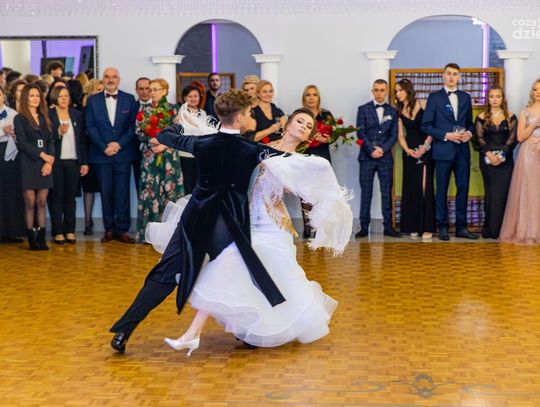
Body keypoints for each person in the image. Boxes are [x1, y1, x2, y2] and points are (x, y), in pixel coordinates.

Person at [157, 108, 351, 354]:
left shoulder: (297, 162)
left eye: (308, 126)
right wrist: (192, 125)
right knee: (236, 273)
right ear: (287, 124)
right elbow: (227, 150)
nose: (303, 126)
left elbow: (312, 178)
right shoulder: (261, 147)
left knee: (231, 267)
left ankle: (193, 334)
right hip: (248, 221)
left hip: (273, 226)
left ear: (308, 136)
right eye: (300, 121)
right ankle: (197, 334)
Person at [109, 89, 287, 354]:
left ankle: (124, 330)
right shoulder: (251, 149)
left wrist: (180, 124)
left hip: (196, 219)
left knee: (165, 274)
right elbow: (288, 160)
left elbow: (165, 136)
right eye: (250, 113)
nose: (252, 117)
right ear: (239, 117)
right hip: (230, 225)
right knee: (235, 276)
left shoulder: (202, 143)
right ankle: (247, 333)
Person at [421, 63, 478, 241]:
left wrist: (469, 133)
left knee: (463, 189)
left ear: (459, 77)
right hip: (442, 151)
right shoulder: (434, 98)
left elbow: (470, 123)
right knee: (441, 190)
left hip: (462, 151)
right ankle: (443, 227)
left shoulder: (465, 97)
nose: (452, 77)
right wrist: (446, 135)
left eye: (455, 74)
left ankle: (462, 227)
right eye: (449, 73)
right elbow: (426, 126)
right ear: (443, 75)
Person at [85, 67, 138, 243]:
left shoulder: (129, 99)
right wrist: (104, 147)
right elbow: (90, 127)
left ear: (119, 80)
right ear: (103, 79)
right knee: (106, 193)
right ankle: (109, 229)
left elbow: (133, 127)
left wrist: (119, 144)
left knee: (123, 193)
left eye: (114, 77)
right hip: (102, 155)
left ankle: (123, 230)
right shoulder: (93, 100)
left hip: (123, 154)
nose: (110, 80)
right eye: (107, 77)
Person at [135, 78, 184, 243]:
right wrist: (152, 140)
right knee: (150, 192)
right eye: (151, 89)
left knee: (169, 193)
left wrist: (163, 144)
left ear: (165, 91)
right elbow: (139, 132)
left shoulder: (173, 109)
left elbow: (179, 132)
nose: (152, 92)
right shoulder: (145, 109)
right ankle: (149, 235)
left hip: (169, 157)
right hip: (150, 156)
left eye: (156, 89)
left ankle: (171, 236)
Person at [355, 79, 400, 238]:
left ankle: (388, 226)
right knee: (366, 193)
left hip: (385, 158)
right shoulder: (363, 109)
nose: (379, 93)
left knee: (386, 192)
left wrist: (383, 149)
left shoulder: (393, 111)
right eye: (376, 90)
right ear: (372, 91)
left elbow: (394, 135)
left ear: (386, 91)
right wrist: (371, 150)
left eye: (382, 90)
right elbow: (360, 133)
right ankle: (363, 227)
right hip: (366, 158)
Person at [14, 83, 55, 250]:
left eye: (37, 95)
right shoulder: (20, 118)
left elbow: (51, 140)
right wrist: (42, 155)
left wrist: (49, 161)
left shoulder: (45, 116)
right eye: (31, 95)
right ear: (25, 98)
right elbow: (22, 142)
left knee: (42, 201)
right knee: (30, 202)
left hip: (45, 164)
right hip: (28, 163)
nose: (35, 98)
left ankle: (42, 238)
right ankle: (31, 237)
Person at [499, 79, 540, 244]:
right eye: (535, 89)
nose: (538, 92)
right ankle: (527, 231)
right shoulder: (525, 111)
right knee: (528, 190)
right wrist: (534, 125)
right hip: (528, 153)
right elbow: (520, 136)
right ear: (532, 92)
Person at [47, 86, 89, 244]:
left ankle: (70, 230)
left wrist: (84, 162)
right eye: (60, 96)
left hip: (73, 161)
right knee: (56, 197)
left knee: (70, 197)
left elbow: (82, 141)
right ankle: (58, 231)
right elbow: (46, 139)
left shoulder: (77, 114)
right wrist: (58, 133)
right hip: (56, 161)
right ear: (54, 98)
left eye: (66, 95)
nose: (64, 99)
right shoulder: (49, 115)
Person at [395, 79, 436, 239]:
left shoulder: (423, 103)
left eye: (400, 90)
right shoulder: (399, 110)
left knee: (425, 187)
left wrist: (425, 147)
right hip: (410, 152)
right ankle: (412, 225)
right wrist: (407, 150)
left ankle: (427, 227)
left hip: (426, 149)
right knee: (411, 187)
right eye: (396, 91)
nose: (398, 94)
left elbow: (431, 128)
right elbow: (400, 135)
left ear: (408, 90)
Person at [474, 87, 516, 239]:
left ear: (502, 98)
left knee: (502, 194)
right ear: (488, 99)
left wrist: (502, 153)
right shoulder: (481, 117)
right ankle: (490, 230)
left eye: (498, 96)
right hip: (487, 160)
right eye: (492, 96)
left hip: (505, 162)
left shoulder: (511, 116)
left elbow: (513, 138)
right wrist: (490, 154)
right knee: (490, 194)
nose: (495, 99)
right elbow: (479, 139)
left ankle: (501, 230)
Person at [301, 84, 335, 238]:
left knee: (321, 193)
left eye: (314, 94)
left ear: (318, 97)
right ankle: (307, 228)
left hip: (322, 156)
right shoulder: (300, 114)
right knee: (305, 192)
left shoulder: (326, 115)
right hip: (304, 155)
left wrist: (324, 139)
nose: (311, 97)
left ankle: (319, 227)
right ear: (304, 98)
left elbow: (334, 136)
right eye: (308, 94)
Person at [0, 85, 25, 243]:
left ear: (3, 95)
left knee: (10, 191)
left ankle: (12, 231)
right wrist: (3, 131)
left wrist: (14, 134)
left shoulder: (13, 113)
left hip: (10, 156)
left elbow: (20, 134)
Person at [81, 79, 104, 236]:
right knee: (89, 190)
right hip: (88, 154)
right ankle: (87, 221)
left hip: (104, 153)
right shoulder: (83, 111)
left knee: (107, 189)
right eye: (98, 90)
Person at [178, 84, 205, 194]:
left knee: (198, 184)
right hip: (184, 155)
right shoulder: (180, 113)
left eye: (195, 96)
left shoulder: (203, 113)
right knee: (187, 185)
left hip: (199, 155)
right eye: (190, 96)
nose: (193, 99)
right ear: (185, 98)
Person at [133, 77, 152, 193]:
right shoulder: (131, 107)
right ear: (136, 90)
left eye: (147, 88)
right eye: (141, 89)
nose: (145, 92)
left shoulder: (160, 107)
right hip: (137, 156)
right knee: (141, 189)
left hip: (158, 155)